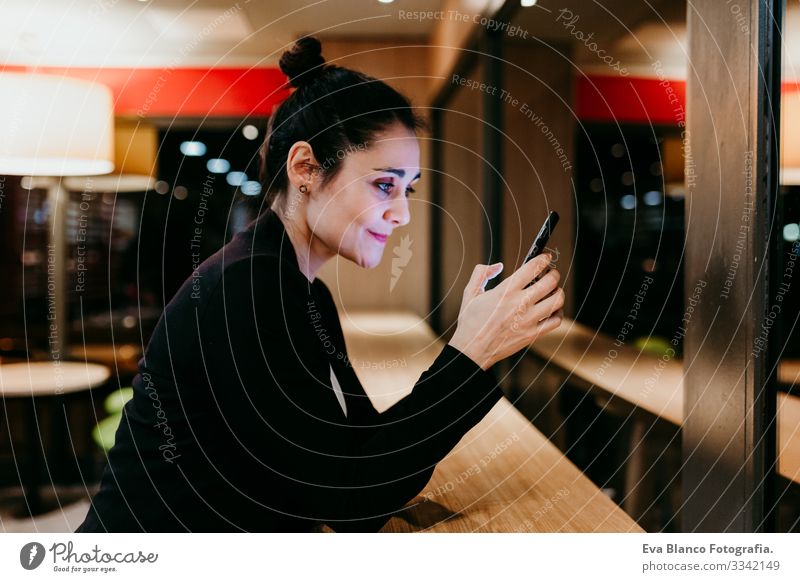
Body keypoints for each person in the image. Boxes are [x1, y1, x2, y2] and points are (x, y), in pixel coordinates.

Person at [76, 36, 564, 532]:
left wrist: (474, 347)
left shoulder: (304, 291)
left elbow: (362, 451)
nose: (401, 214)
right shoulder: (245, 286)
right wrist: (473, 349)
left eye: (408, 189)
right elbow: (352, 501)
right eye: (384, 185)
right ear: (305, 167)